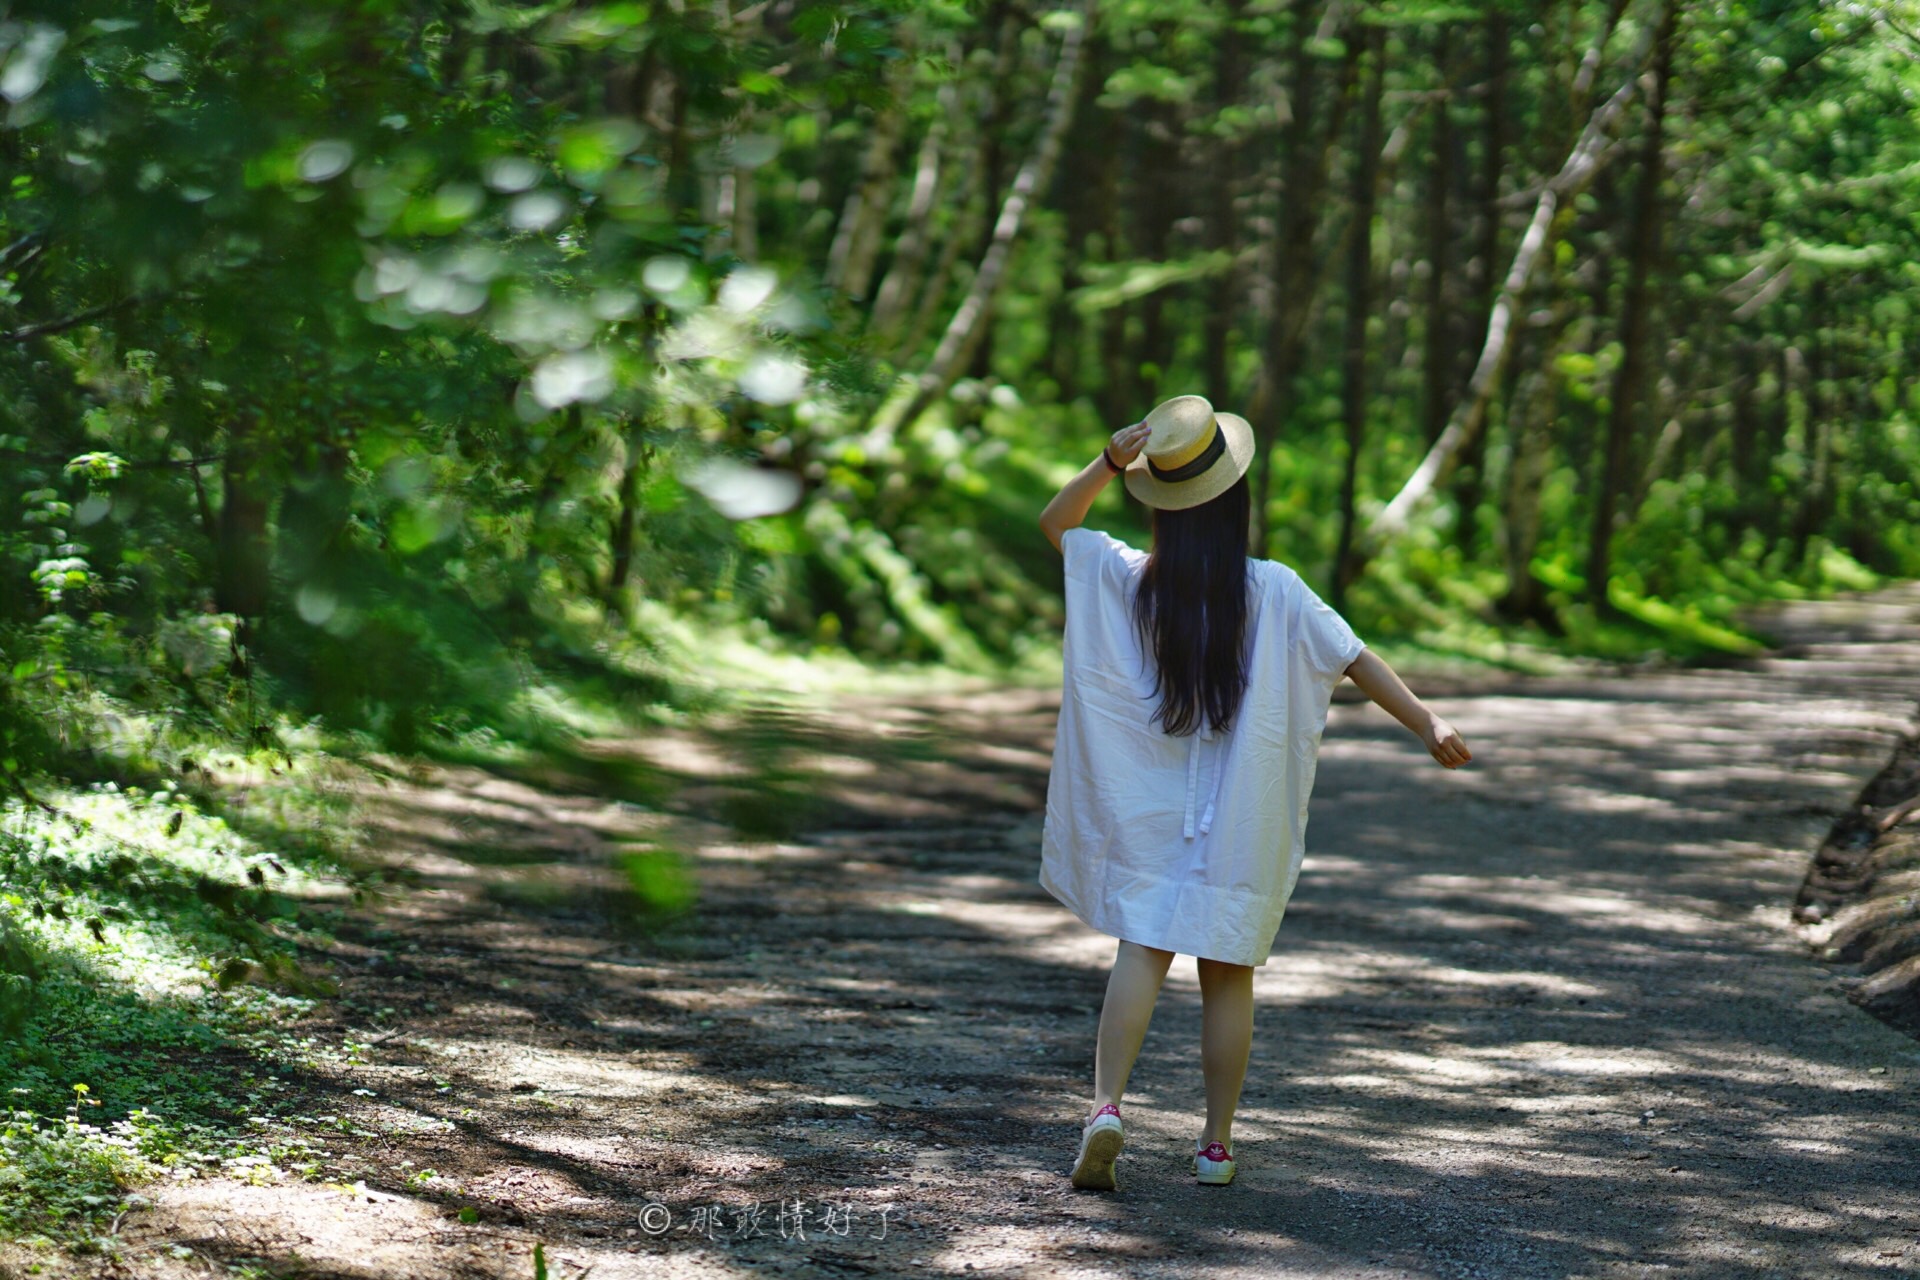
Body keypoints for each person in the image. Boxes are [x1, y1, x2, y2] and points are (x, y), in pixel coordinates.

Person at [1036, 394, 1472, 1192]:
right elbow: (1354, 657)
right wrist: (1427, 721)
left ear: (1162, 502)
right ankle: (1214, 1146)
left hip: (1150, 813)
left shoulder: (1132, 578)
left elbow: (1057, 525)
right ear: (1235, 500)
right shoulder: (1274, 590)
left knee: (1143, 946)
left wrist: (1107, 461)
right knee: (1228, 970)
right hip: (1239, 817)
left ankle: (1105, 1110)